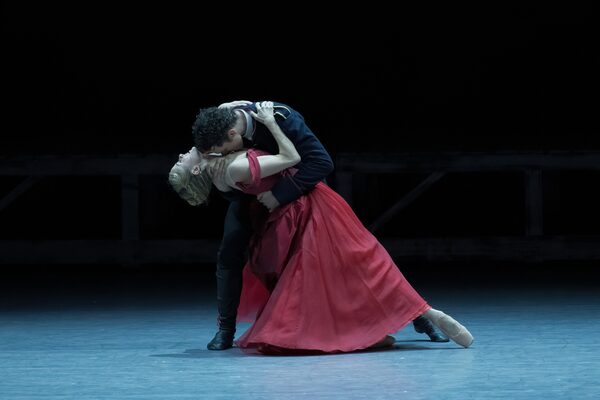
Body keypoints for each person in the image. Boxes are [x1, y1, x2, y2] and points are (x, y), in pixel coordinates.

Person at [169, 102, 472, 354]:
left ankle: (413, 315)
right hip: (254, 195)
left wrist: (280, 194)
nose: (209, 153)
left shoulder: (281, 119)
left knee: (343, 260)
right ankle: (226, 329)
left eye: (216, 149)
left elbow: (320, 163)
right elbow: (208, 158)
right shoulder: (217, 134)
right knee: (235, 254)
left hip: (293, 192)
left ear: (233, 133)